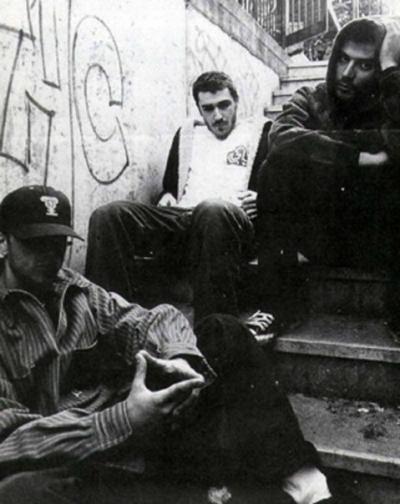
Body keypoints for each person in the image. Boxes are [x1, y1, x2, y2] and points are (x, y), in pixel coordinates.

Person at [0, 185, 361, 503]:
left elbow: (151, 319)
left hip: (139, 422)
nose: (51, 256)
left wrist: (180, 357)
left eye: (59, 244)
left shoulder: (73, 289)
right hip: (74, 454)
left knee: (221, 330)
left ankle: (309, 489)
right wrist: (121, 419)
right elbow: (10, 438)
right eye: (35, 244)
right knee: (19, 492)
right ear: (3, 242)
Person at [85, 71, 272, 327]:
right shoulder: (188, 135)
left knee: (212, 209)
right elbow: (170, 187)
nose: (218, 116)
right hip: (184, 218)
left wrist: (263, 198)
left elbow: (282, 189)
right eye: (208, 109)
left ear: (237, 102)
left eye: (224, 105)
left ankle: (214, 331)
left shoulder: (260, 132)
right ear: (199, 109)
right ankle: (108, 323)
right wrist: (167, 196)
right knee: (108, 215)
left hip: (231, 222)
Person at [257, 17, 400, 332]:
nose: (347, 73)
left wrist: (392, 69)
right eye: (343, 59)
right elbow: (280, 138)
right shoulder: (311, 97)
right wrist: (357, 155)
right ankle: (278, 307)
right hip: (320, 236)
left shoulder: (390, 107)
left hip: (376, 240)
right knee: (274, 166)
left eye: (365, 65)